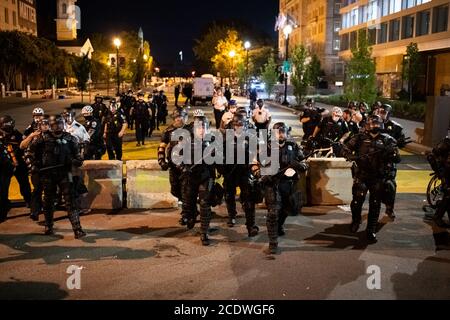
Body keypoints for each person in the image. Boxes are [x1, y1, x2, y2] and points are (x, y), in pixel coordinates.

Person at [342, 115, 401, 242]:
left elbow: (398, 159)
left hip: (378, 177)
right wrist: (349, 156)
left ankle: (371, 230)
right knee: (357, 201)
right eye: (373, 124)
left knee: (375, 204)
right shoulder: (359, 137)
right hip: (362, 174)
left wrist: (391, 153)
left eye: (377, 123)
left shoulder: (388, 140)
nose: (375, 126)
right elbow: (345, 148)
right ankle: (356, 221)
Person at [253, 122, 308, 254]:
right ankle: (273, 242)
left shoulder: (293, 146)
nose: (280, 134)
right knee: (273, 212)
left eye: (283, 131)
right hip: (272, 184)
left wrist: (299, 165)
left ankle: (279, 226)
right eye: (278, 132)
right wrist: (260, 173)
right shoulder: (265, 147)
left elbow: (305, 163)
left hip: (288, 184)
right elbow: (254, 164)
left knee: (286, 209)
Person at [27, 115, 86, 239]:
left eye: (60, 124)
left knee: (71, 201)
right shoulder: (41, 138)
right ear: (50, 125)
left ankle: (77, 228)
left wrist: (77, 161)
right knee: (48, 201)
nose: (58, 127)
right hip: (48, 174)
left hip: (65, 173)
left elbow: (78, 155)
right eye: (55, 124)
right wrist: (33, 165)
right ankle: (48, 226)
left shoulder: (70, 138)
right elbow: (30, 153)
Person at [219, 113, 260, 236]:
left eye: (241, 125)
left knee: (248, 198)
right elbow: (219, 154)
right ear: (233, 125)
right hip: (230, 172)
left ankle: (251, 225)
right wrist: (221, 168)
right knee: (229, 195)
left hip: (244, 171)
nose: (239, 127)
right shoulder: (226, 137)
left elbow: (256, 154)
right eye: (237, 125)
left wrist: (255, 166)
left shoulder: (251, 138)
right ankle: (231, 215)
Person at [179, 113, 216, 246]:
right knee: (188, 203)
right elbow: (176, 157)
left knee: (205, 203)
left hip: (206, 177)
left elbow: (222, 160)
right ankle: (191, 215)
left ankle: (204, 232)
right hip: (190, 177)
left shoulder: (213, 141)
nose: (202, 130)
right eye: (199, 127)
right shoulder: (186, 141)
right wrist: (183, 167)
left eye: (204, 127)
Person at [158, 109, 190, 225]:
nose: (179, 119)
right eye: (177, 118)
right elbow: (162, 146)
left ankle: (186, 214)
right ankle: (189, 208)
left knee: (185, 190)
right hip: (173, 166)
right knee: (175, 190)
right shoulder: (168, 131)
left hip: (187, 166)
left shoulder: (190, 130)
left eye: (181, 117)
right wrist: (161, 160)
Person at [378, 104, 410, 219]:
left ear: (389, 113)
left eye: (384, 112)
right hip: (375, 159)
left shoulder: (396, 127)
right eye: (380, 111)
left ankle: (389, 208)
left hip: (389, 160)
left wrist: (401, 143)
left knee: (390, 185)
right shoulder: (373, 123)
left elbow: (401, 142)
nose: (381, 114)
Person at [0, 115, 32, 211]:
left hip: (18, 163)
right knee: (3, 186)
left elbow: (23, 146)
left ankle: (29, 200)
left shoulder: (16, 134)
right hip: (5, 165)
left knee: (24, 183)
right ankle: (4, 204)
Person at [22, 117, 51, 221]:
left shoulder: (54, 136)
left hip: (50, 168)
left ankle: (48, 212)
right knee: (37, 189)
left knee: (49, 191)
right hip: (37, 168)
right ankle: (35, 211)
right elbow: (23, 147)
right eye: (43, 125)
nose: (45, 126)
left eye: (47, 124)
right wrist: (30, 136)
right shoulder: (35, 137)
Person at [427, 137, 450, 228]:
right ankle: (438, 216)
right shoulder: (445, 145)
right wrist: (440, 173)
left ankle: (441, 205)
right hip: (445, 172)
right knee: (448, 194)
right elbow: (432, 157)